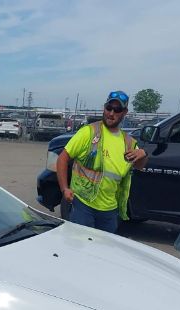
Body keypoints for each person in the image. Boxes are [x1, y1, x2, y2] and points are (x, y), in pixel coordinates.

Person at [56, 90, 149, 232]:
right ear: (104, 108)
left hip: (110, 210)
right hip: (83, 204)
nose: (111, 113)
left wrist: (143, 154)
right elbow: (63, 158)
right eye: (108, 108)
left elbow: (139, 166)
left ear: (124, 112)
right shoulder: (89, 132)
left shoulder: (129, 142)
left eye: (117, 109)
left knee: (103, 251)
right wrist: (64, 189)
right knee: (80, 248)